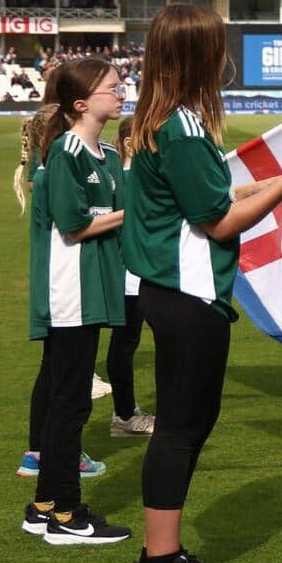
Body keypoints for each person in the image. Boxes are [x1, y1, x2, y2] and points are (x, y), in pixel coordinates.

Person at [122, 4, 282, 563]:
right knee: (182, 428)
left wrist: (275, 180)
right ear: (196, 57)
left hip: (176, 291)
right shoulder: (180, 127)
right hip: (188, 292)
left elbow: (210, 196)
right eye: (216, 46)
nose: (225, 55)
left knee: (188, 423)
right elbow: (217, 221)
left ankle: (163, 556)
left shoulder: (163, 121)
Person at [24, 59, 131, 546]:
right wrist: (132, 212)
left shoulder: (106, 154)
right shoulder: (66, 153)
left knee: (67, 400)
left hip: (94, 290)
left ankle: (45, 504)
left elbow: (129, 204)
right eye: (112, 87)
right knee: (70, 404)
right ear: (81, 103)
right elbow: (74, 225)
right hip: (72, 295)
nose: (122, 90)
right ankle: (67, 514)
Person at [13, 104, 111, 484]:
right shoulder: (55, 172)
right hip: (67, 286)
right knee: (68, 386)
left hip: (54, 285)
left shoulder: (43, 172)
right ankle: (57, 461)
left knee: (53, 371)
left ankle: (38, 452)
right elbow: (75, 225)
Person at [105, 116, 154, 437]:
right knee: (124, 344)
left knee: (124, 344)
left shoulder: (116, 178)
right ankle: (124, 414)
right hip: (133, 276)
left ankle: (126, 412)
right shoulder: (134, 178)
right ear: (128, 143)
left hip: (129, 275)